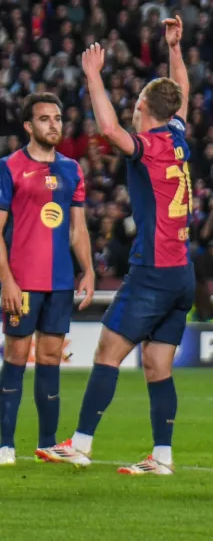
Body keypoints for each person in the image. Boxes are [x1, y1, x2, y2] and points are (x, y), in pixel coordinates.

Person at [36, 16, 194, 475]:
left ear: (145, 107)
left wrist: (92, 76)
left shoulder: (151, 145)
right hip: (182, 271)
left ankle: (81, 443)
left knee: (107, 353)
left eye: (139, 100)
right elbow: (179, 90)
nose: (133, 106)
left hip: (154, 269)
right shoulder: (178, 136)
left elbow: (107, 130)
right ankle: (162, 457)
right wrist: (175, 50)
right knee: (156, 365)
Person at [0, 93, 95, 466]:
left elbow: (77, 228)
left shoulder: (72, 169)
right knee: (17, 356)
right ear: (28, 126)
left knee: (52, 357)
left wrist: (86, 269)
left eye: (57, 118)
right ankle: (5, 444)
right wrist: (7, 280)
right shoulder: (9, 167)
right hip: (22, 282)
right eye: (44, 119)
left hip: (59, 282)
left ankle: (48, 443)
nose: (53, 124)